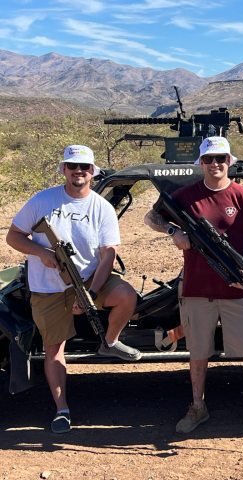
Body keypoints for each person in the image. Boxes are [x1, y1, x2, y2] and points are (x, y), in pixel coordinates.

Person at [144, 136, 243, 439]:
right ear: (202, 163)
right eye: (209, 159)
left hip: (237, 289)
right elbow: (152, 217)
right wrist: (174, 231)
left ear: (229, 161)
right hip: (196, 289)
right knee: (198, 352)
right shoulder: (185, 196)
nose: (215, 164)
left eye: (221, 158)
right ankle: (197, 407)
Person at [6, 144, 141, 434]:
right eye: (72, 166)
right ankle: (62, 409)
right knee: (54, 349)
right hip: (48, 287)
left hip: (89, 279)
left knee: (127, 296)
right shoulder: (43, 200)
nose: (78, 171)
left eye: (85, 167)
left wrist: (91, 294)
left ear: (93, 172)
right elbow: (14, 236)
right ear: (63, 170)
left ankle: (110, 341)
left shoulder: (100, 206)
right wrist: (41, 253)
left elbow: (108, 255)